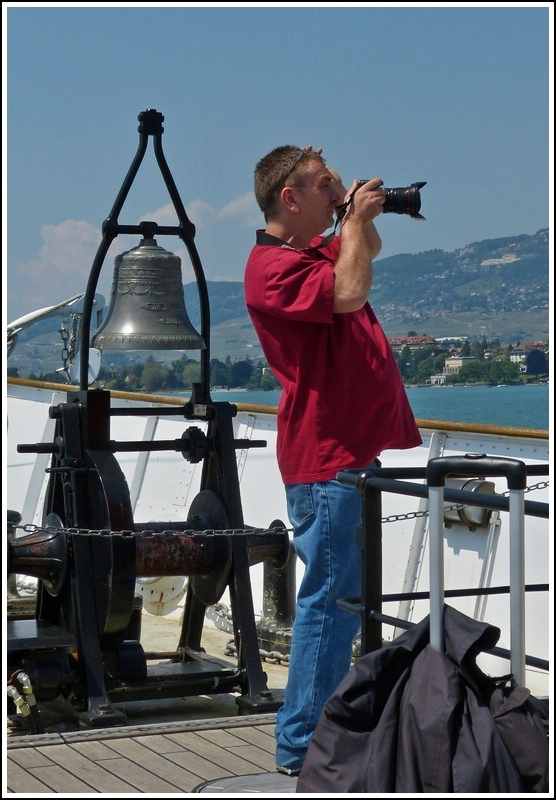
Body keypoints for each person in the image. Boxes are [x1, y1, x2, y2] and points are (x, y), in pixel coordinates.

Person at [244, 144, 422, 776]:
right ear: (289, 198)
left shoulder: (309, 249)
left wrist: (357, 216)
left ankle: (316, 736)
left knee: (340, 599)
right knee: (328, 600)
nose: (333, 195)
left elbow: (362, 258)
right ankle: (301, 745)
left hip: (345, 453)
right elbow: (348, 292)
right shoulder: (270, 269)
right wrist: (349, 221)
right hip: (324, 458)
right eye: (322, 186)